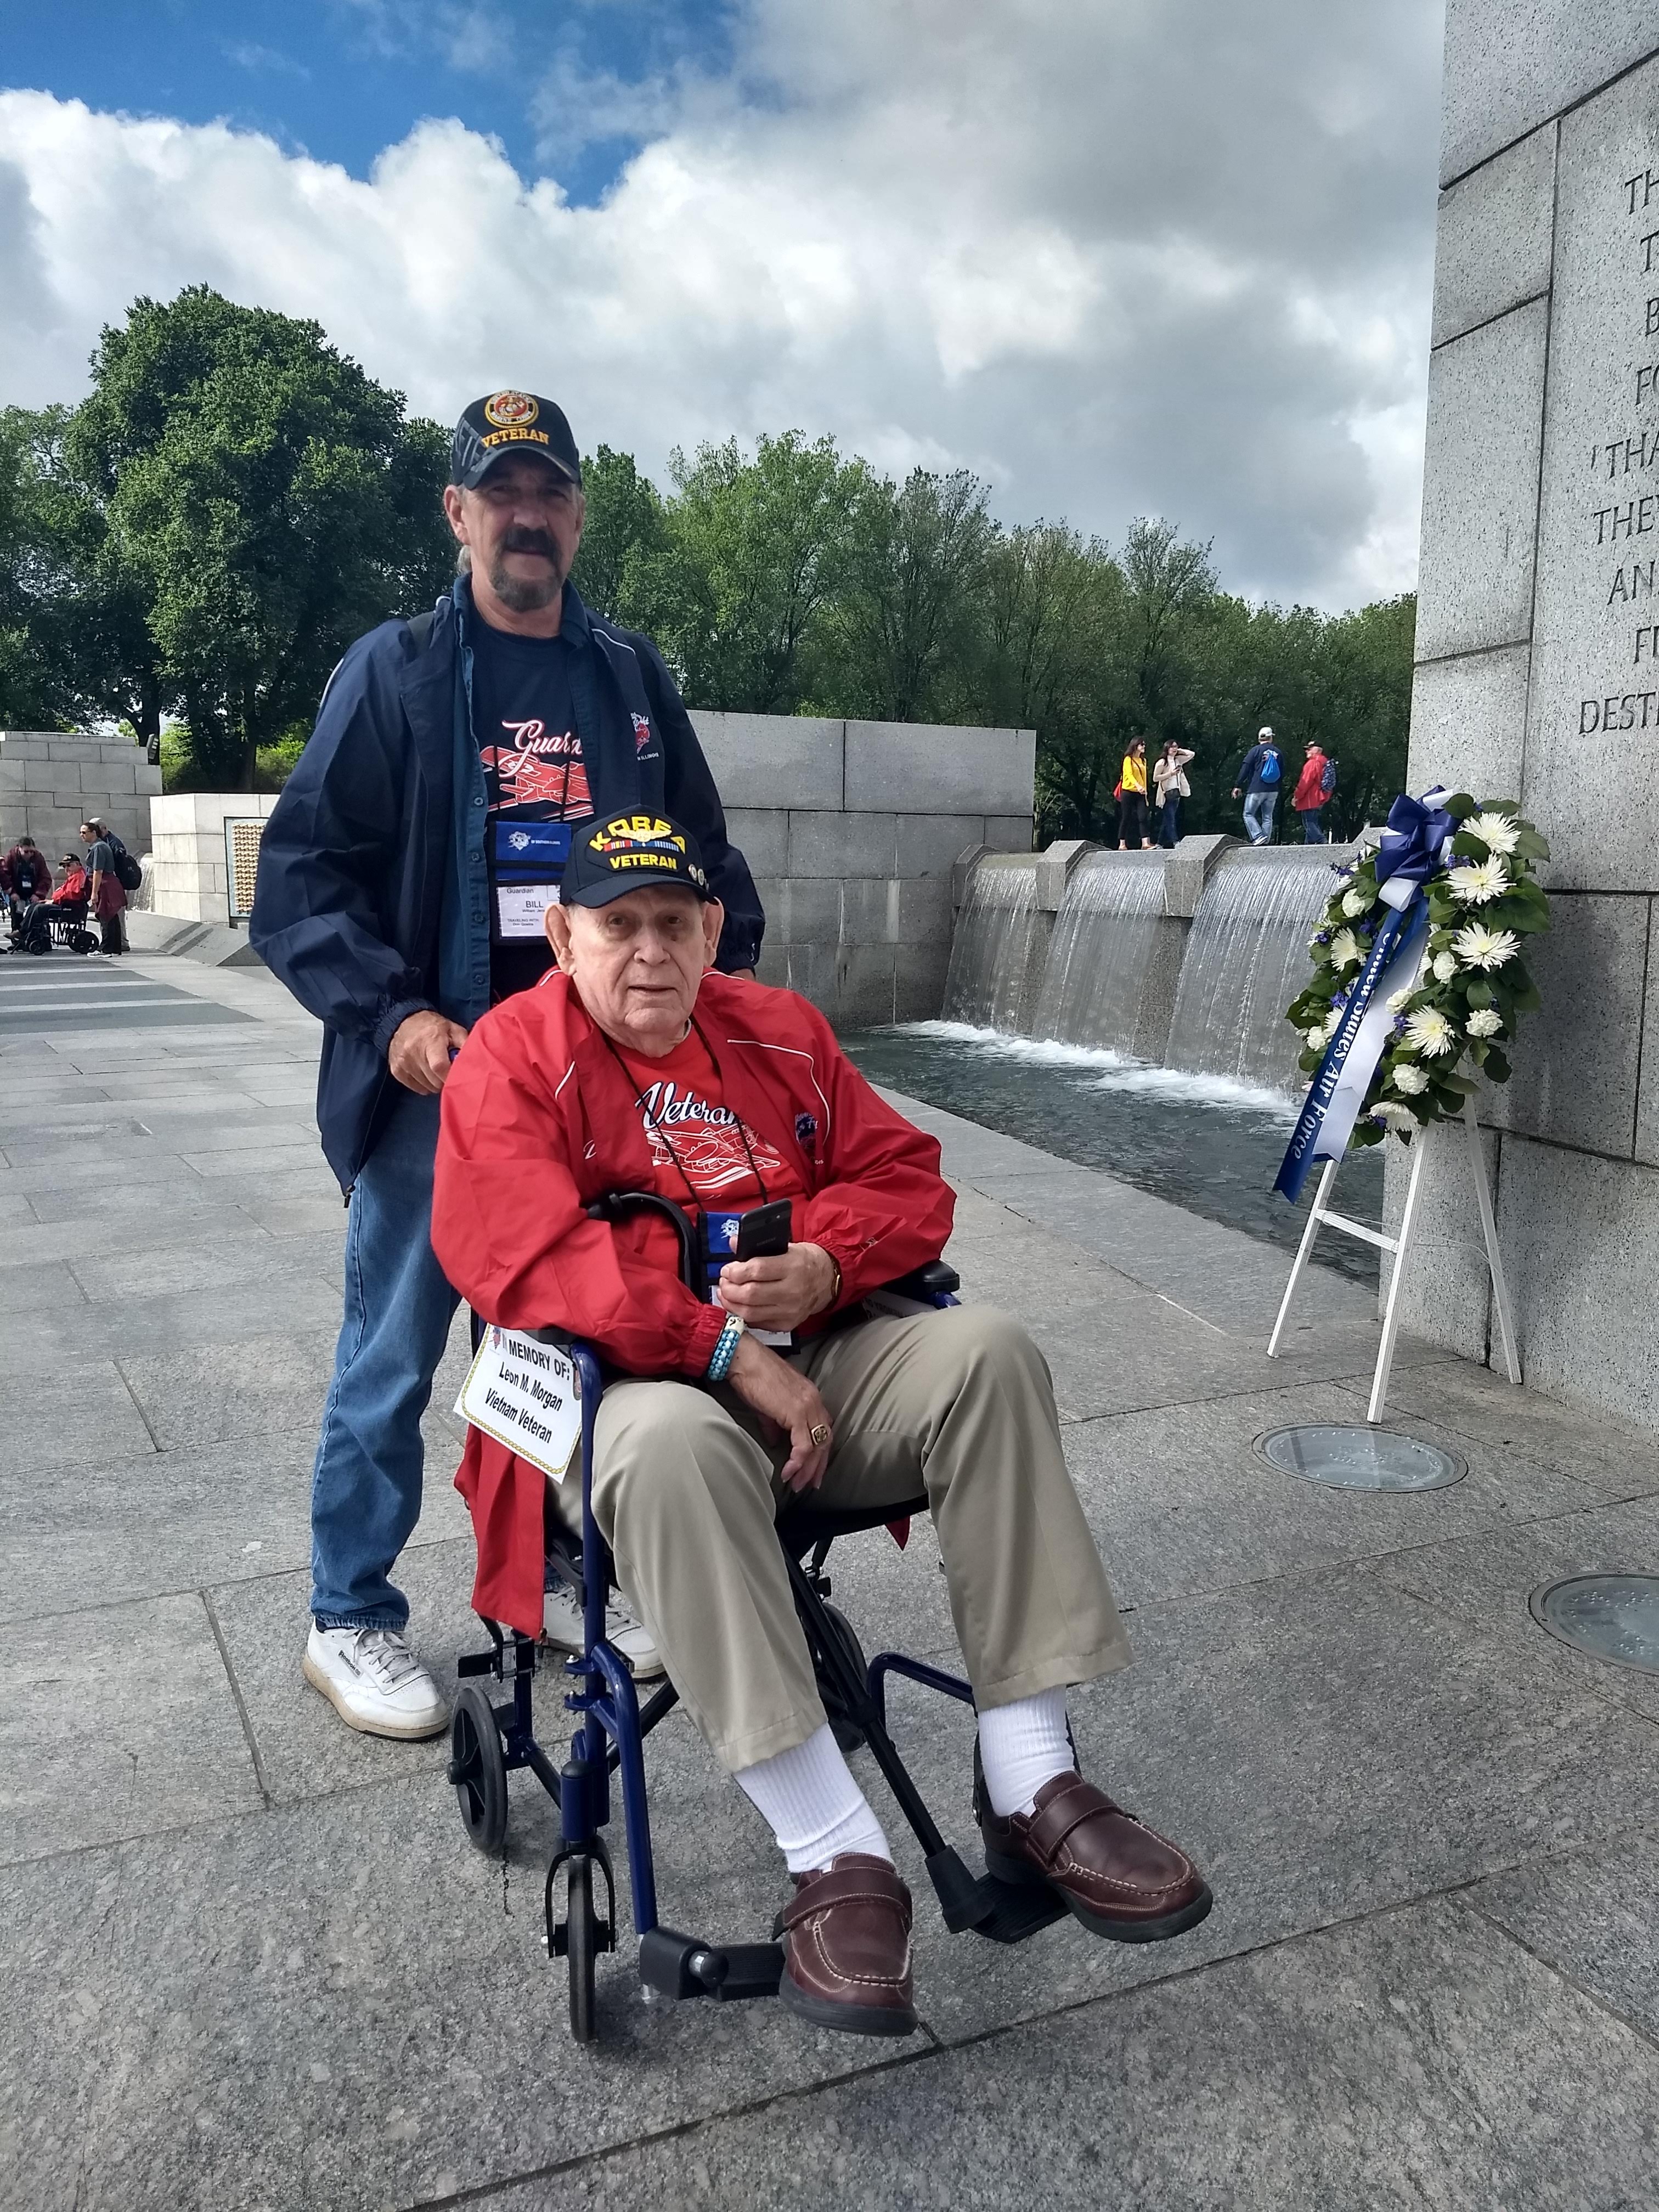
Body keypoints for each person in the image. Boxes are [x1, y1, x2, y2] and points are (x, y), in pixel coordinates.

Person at [431, 810, 1212, 2039]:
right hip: (618, 1401)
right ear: (563, 937)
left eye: (673, 923)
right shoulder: (512, 1059)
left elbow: (909, 1178)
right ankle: (834, 1851)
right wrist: (722, 1348)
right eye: (618, 926)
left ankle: (1028, 1781)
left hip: (816, 1374)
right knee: (676, 1445)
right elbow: (527, 1258)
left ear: (711, 931)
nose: (650, 952)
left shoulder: (781, 1031)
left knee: (989, 1354)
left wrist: (827, 1262)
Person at [250, 389, 763, 1742]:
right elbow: (301, 879)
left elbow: (706, 866)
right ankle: (347, 1615)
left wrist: (716, 1014)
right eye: (503, 492)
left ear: (578, 517)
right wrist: (397, 1019)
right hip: (446, 1084)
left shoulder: (629, 678)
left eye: (550, 494)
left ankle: (545, 1572)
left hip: (596, 1087)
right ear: (459, 513)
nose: (527, 517)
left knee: (559, 1347)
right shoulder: (398, 673)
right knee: (393, 1355)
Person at [1231, 725, 1282, 845]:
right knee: (1268, 816)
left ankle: (1258, 836)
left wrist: (1238, 785)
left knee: (1248, 814)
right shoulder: (1278, 752)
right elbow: (1282, 772)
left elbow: (1246, 767)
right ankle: (1265, 841)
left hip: (1257, 788)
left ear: (1259, 738)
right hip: (1273, 790)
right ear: (1271, 738)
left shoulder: (1256, 751)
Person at [78, 822, 125, 955]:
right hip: (108, 884)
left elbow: (98, 872)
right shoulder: (100, 846)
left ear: (94, 833)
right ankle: (115, 948)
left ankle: (105, 948)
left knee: (105, 915)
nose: (81, 835)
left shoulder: (99, 848)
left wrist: (94, 893)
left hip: (105, 885)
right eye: (81, 833)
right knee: (112, 916)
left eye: (84, 832)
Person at [1153, 739, 1195, 848]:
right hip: (1166, 793)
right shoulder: (1162, 762)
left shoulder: (1178, 760)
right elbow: (1155, 778)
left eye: (1176, 746)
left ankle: (1159, 843)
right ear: (1167, 748)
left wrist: (1179, 750)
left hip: (1176, 793)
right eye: (1172, 747)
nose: (1174, 749)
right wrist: (1170, 774)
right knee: (1170, 819)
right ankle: (1175, 841)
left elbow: (1191, 754)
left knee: (1168, 819)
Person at [1292, 741, 1334, 842]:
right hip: (1321, 797)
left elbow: (1305, 782)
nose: (1307, 751)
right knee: (1312, 822)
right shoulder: (1324, 762)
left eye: (1309, 749)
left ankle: (1322, 841)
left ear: (1317, 750)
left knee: (1309, 823)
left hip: (1310, 798)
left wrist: (1297, 796)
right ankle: (1307, 847)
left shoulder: (1313, 763)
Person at [1116, 737, 1152, 849]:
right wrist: (1138, 786)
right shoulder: (1128, 759)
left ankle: (1145, 843)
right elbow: (1129, 775)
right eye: (1141, 745)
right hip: (1128, 791)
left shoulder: (1143, 761)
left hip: (1141, 793)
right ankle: (1122, 843)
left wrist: (1145, 793)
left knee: (1143, 817)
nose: (1144, 746)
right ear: (1135, 746)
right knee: (1126, 817)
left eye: (1144, 744)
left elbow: (1144, 778)